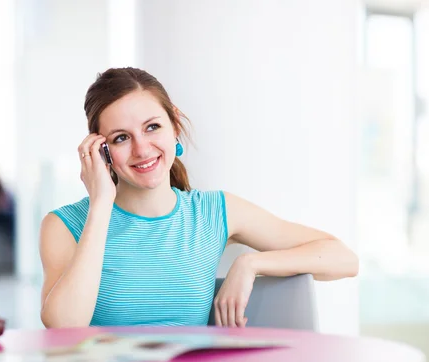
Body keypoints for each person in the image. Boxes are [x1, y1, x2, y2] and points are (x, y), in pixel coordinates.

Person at [39, 67, 359, 329]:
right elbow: (64, 327)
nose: (141, 149)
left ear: (174, 125)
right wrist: (100, 205)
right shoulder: (64, 225)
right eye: (121, 138)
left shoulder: (213, 213)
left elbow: (343, 258)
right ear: (100, 151)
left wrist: (252, 263)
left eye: (152, 127)